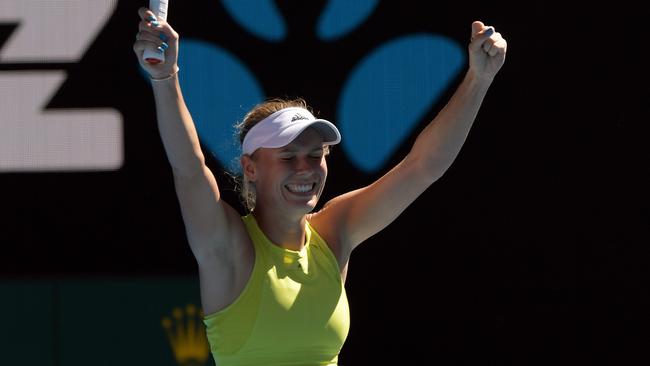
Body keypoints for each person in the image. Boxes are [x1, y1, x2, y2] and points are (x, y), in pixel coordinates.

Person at [134, 6, 507, 366]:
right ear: (250, 168)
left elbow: (424, 166)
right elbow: (189, 168)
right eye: (287, 157)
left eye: (316, 155)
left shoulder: (334, 231)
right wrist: (166, 78)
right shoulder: (228, 246)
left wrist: (479, 79)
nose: (305, 169)